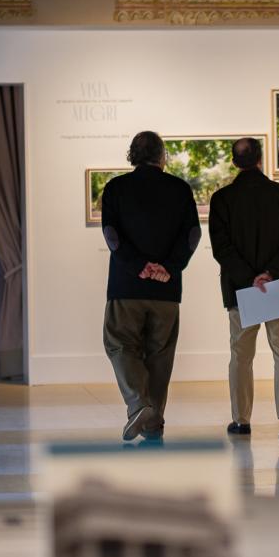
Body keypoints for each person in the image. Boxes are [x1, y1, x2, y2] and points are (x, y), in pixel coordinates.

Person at [101, 131, 200, 441]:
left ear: (132, 155)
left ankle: (138, 405)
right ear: (162, 156)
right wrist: (168, 268)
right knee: (160, 355)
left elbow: (111, 234)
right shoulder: (180, 189)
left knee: (119, 344)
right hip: (166, 290)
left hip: (125, 287)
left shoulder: (116, 188)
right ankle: (153, 424)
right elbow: (193, 234)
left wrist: (138, 266)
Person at [208, 137, 279, 440]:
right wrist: (270, 273)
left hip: (241, 288)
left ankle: (241, 420)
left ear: (235, 162)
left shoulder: (222, 199)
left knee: (240, 355)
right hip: (277, 286)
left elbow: (221, 248)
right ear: (261, 158)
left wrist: (250, 277)